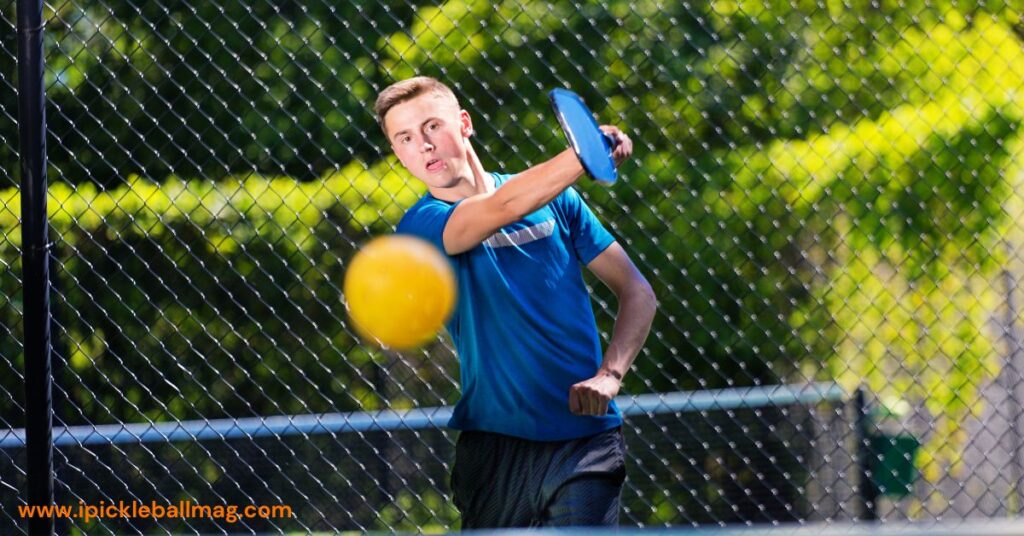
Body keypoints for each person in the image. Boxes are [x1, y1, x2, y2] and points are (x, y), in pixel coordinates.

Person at [373, 76, 656, 528]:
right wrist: (586, 151)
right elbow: (503, 207)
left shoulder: (559, 201)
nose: (423, 146)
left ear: (464, 124)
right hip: (494, 448)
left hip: (587, 441)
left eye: (431, 127)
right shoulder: (421, 228)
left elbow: (638, 292)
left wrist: (610, 374)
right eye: (404, 138)